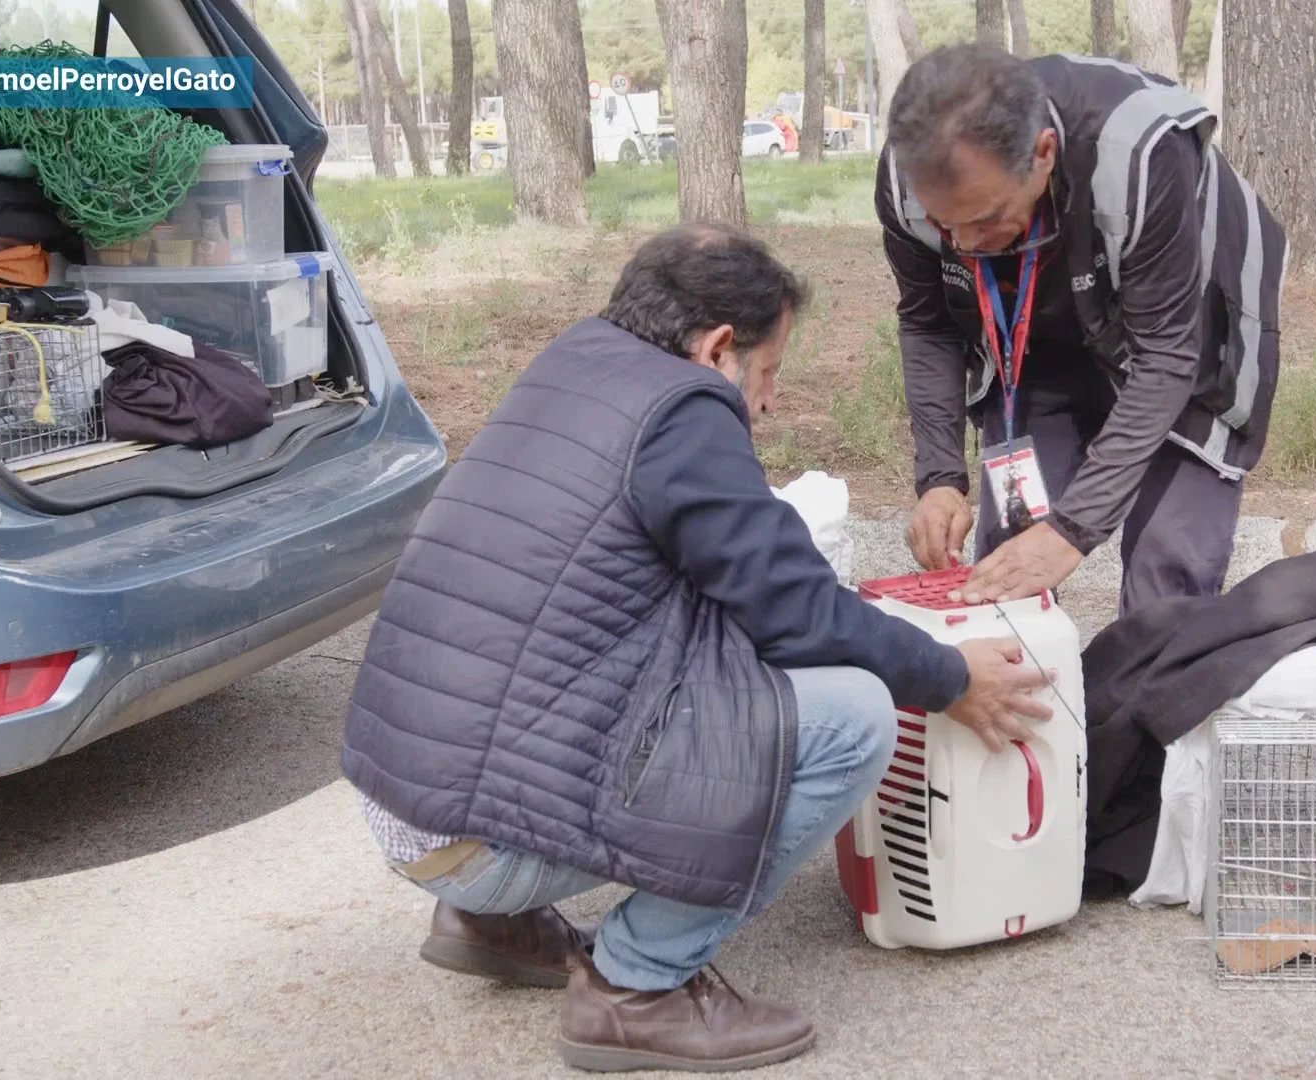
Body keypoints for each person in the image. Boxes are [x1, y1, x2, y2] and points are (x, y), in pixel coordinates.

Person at [341, 224, 1054, 1073]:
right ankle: (636, 988)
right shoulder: (682, 410)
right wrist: (946, 676)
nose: (770, 402)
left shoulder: (579, 362)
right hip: (475, 840)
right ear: (720, 349)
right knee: (858, 718)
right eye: (770, 373)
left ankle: (493, 925)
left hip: (405, 799)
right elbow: (792, 611)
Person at [876, 44, 1289, 617]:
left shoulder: (1142, 154)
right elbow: (928, 324)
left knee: (1167, 571)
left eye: (985, 218)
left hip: (1187, 329)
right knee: (1009, 557)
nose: (965, 247)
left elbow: (1166, 357)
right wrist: (940, 477)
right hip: (1041, 331)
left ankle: (1153, 697)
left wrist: (1073, 529)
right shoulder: (910, 177)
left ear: (1044, 153)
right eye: (947, 226)